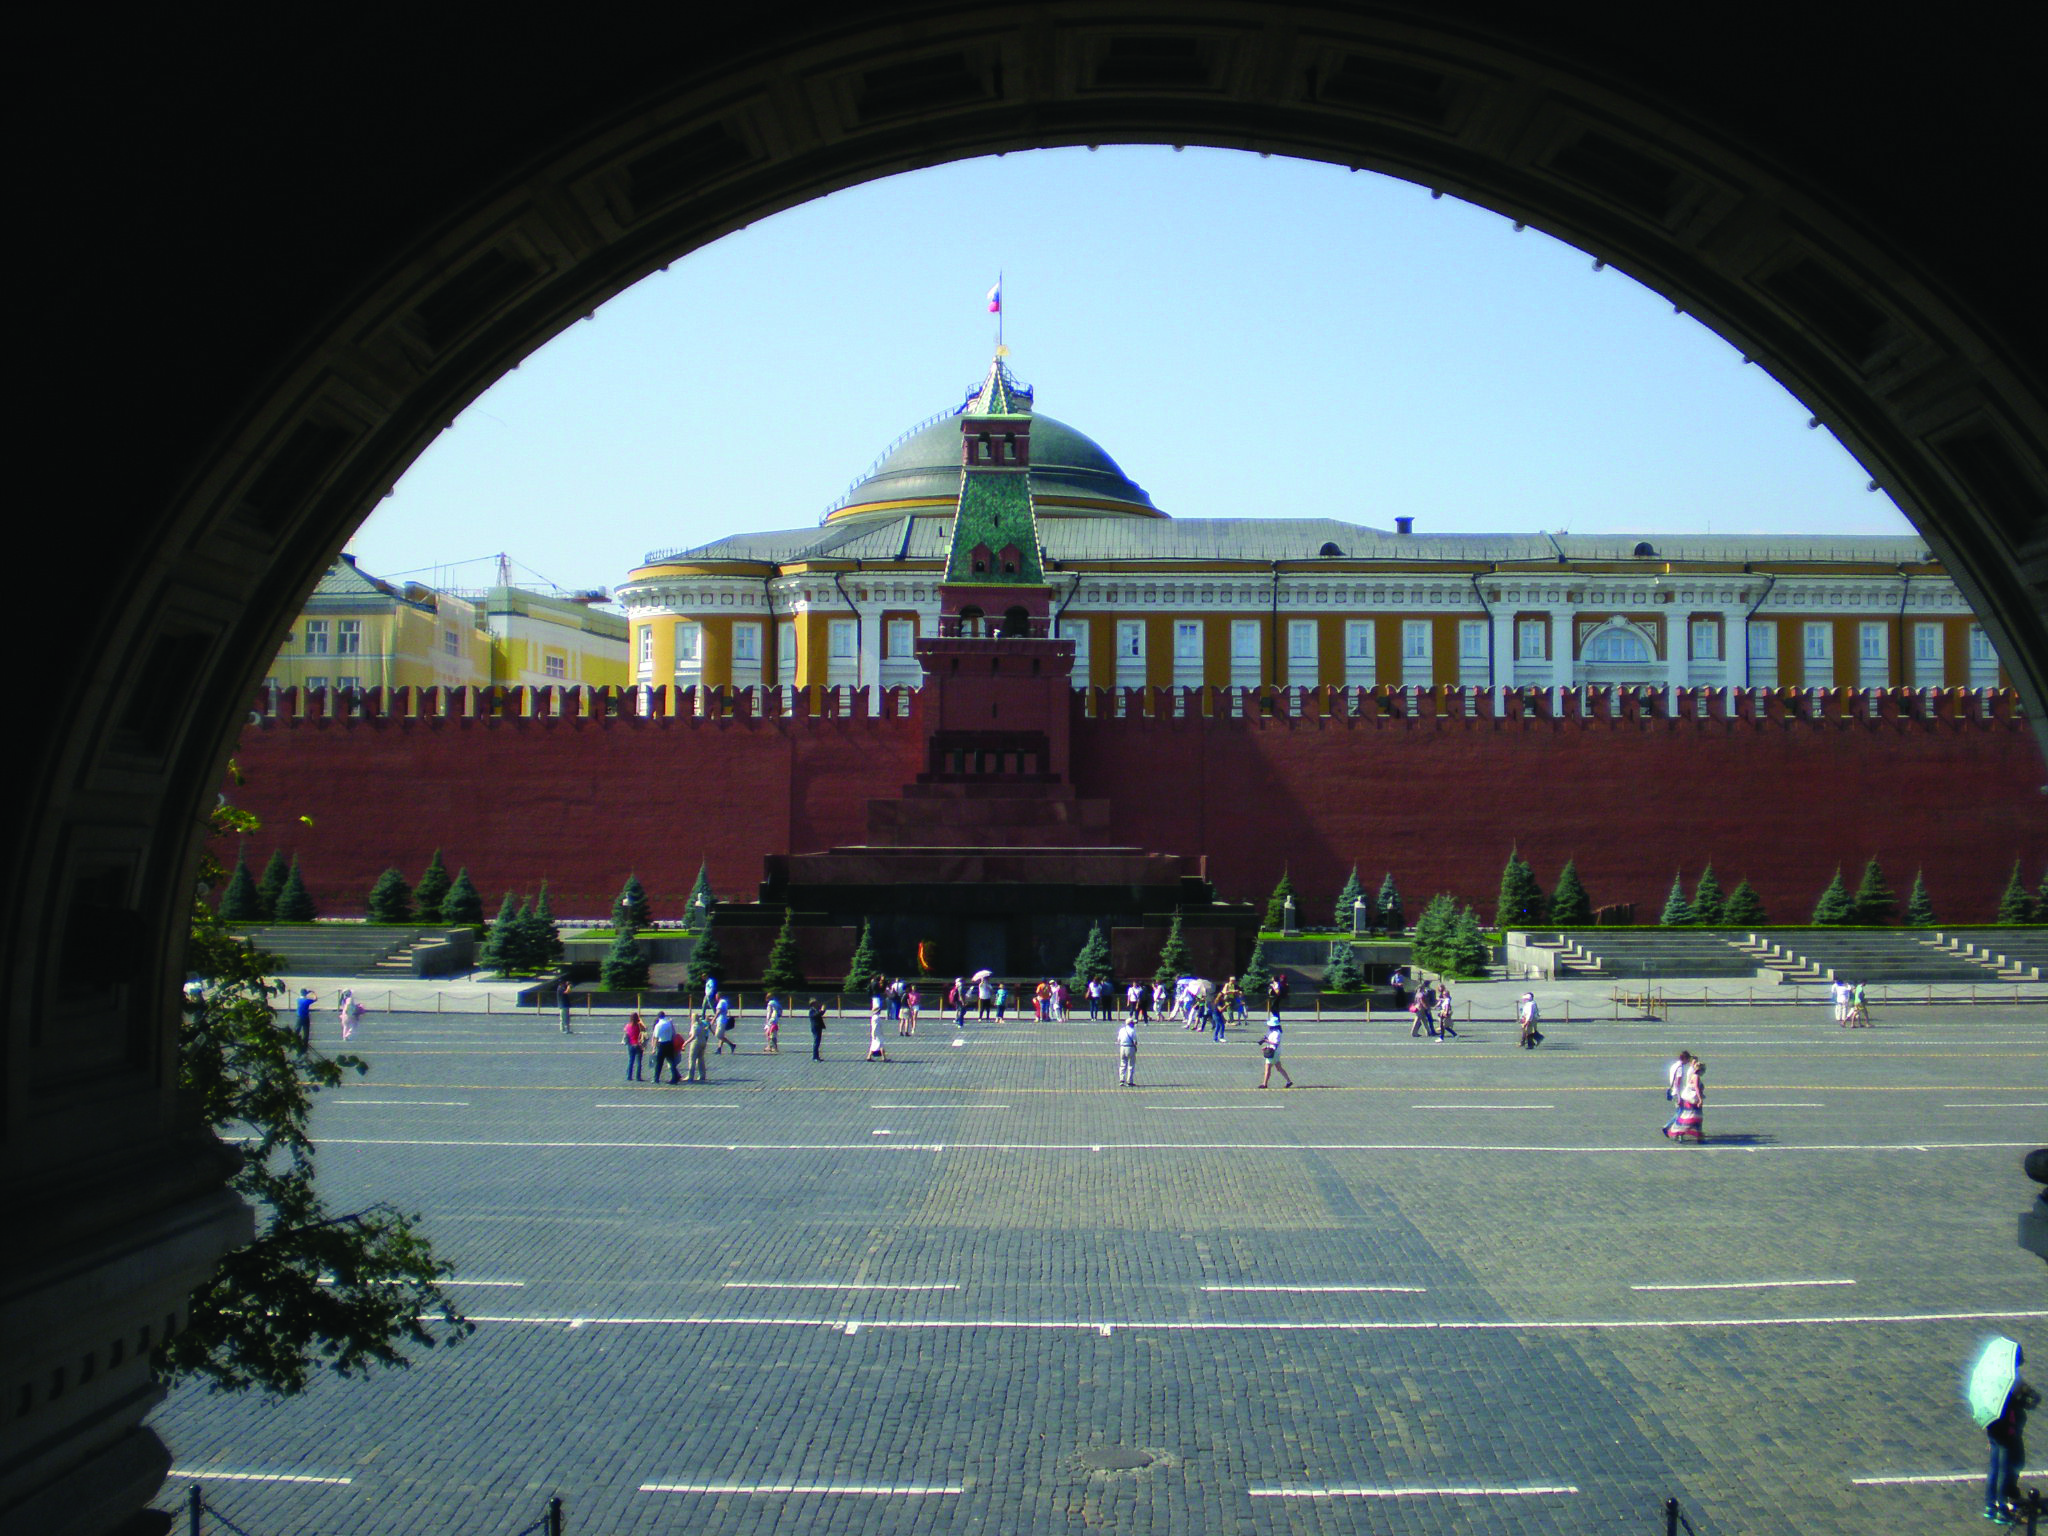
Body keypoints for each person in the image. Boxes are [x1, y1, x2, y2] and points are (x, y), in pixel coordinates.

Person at [1985, 1353, 2038, 1525]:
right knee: (2007, 1467)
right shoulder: (2010, 1378)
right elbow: (2019, 1396)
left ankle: (1990, 1506)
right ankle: (2003, 1509)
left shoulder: (1991, 1375)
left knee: (1994, 1467)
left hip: (1993, 1428)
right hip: (2007, 1430)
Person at [1664, 1056, 1704, 1141]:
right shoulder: (1692, 1073)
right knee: (1683, 1115)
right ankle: (1673, 1130)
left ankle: (1694, 1135)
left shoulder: (1691, 1072)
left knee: (1686, 1116)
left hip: (1686, 1096)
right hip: (1689, 1098)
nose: (1694, 1063)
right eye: (1693, 1062)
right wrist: (1700, 1098)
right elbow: (1694, 1086)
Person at [1259, 1016, 1293, 1088]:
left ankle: (1264, 1084)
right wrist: (1266, 1045)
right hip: (1273, 1051)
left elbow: (1275, 1043)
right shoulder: (1272, 1032)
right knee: (1279, 1068)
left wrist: (1266, 1041)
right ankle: (1288, 1081)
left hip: (1273, 1052)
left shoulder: (1276, 1033)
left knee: (1268, 1067)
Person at [650, 1010, 679, 1083]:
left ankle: (656, 1078)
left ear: (658, 1017)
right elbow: (673, 1033)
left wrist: (653, 1048)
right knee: (671, 1062)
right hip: (669, 1043)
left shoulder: (658, 1025)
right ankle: (675, 1077)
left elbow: (656, 1037)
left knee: (659, 1063)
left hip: (661, 1044)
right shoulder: (668, 1023)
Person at [684, 1009, 711, 1083]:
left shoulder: (695, 1026)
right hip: (703, 1042)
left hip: (696, 1043)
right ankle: (702, 1075)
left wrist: (685, 1043)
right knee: (701, 1059)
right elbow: (707, 1027)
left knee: (692, 1059)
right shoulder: (702, 1023)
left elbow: (693, 1036)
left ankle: (690, 1076)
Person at [623, 1010, 646, 1082]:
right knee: (639, 1062)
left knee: (631, 1061)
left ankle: (629, 1076)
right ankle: (638, 1077)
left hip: (630, 1045)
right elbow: (645, 1028)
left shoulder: (627, 1026)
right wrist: (641, 1020)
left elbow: (625, 1031)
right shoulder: (639, 1025)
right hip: (638, 1045)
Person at [1116, 1016, 1138, 1086]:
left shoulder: (1122, 1030)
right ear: (1130, 1023)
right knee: (1131, 1065)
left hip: (1122, 1048)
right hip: (1130, 1048)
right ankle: (1129, 1081)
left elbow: (1118, 1040)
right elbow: (1135, 1042)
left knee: (1122, 1064)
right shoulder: (1132, 1030)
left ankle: (1121, 1080)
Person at [557, 969, 575, 1034]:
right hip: (562, 1005)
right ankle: (563, 1029)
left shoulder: (563, 987)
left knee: (567, 1019)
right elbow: (567, 992)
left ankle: (567, 1029)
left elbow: (569, 991)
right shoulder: (560, 988)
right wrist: (569, 986)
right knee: (563, 1018)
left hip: (566, 1005)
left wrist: (569, 986)